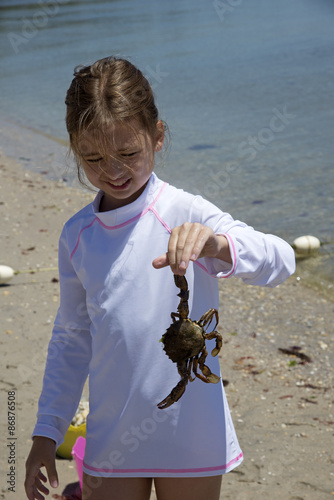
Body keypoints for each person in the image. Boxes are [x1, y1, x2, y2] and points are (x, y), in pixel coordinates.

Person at [24, 56, 295, 500]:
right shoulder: (77, 236)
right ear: (74, 148)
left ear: (158, 135)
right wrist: (45, 431)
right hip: (112, 435)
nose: (113, 171)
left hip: (193, 436)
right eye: (93, 158)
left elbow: (282, 260)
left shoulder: (188, 214)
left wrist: (218, 245)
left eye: (129, 153)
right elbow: (72, 337)